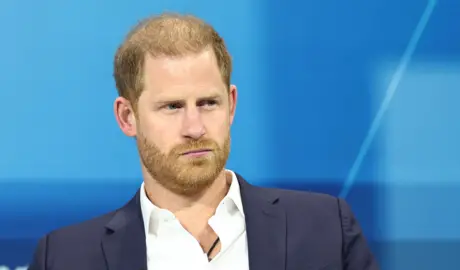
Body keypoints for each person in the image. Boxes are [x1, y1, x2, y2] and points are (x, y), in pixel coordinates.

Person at [28, 12, 378, 270]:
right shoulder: (65, 258)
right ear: (127, 117)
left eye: (208, 103)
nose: (194, 127)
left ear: (232, 106)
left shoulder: (325, 229)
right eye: (172, 107)